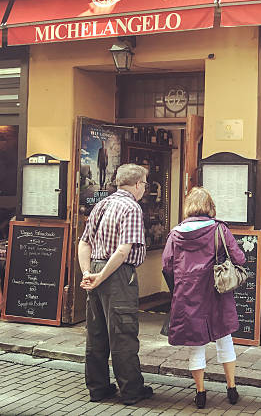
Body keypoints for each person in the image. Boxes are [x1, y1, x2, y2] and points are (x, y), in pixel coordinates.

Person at [162, 187, 244, 409]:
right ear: (211, 207)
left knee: (195, 344)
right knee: (224, 338)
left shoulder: (176, 233)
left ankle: (200, 393)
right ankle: (232, 388)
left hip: (187, 294)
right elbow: (240, 258)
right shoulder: (219, 230)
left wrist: (178, 287)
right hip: (217, 292)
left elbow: (167, 265)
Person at [78, 164, 153, 405]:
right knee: (123, 333)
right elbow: (123, 251)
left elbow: (84, 243)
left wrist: (88, 272)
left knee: (96, 332)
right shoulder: (131, 207)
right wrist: (102, 276)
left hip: (98, 268)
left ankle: (98, 388)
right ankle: (131, 391)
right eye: (145, 184)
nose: (144, 188)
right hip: (118, 274)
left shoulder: (102, 204)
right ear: (139, 184)